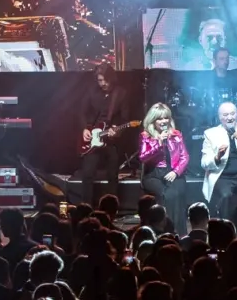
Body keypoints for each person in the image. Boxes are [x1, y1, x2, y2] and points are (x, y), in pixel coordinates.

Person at [77, 63, 129, 205]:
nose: (103, 83)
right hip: (93, 138)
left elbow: (125, 119)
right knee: (87, 174)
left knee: (112, 175)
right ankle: (86, 207)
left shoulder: (121, 93)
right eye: (100, 80)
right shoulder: (91, 91)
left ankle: (111, 209)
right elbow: (82, 112)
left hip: (110, 139)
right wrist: (85, 129)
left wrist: (117, 130)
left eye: (106, 80)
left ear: (112, 78)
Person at [139, 102, 190, 232]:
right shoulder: (146, 136)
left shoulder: (176, 135)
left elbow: (185, 157)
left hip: (173, 172)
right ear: (153, 121)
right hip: (153, 174)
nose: (163, 121)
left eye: (166, 118)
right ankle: (165, 231)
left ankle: (179, 232)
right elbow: (143, 157)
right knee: (168, 194)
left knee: (177, 193)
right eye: (159, 118)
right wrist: (159, 143)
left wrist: (176, 172)